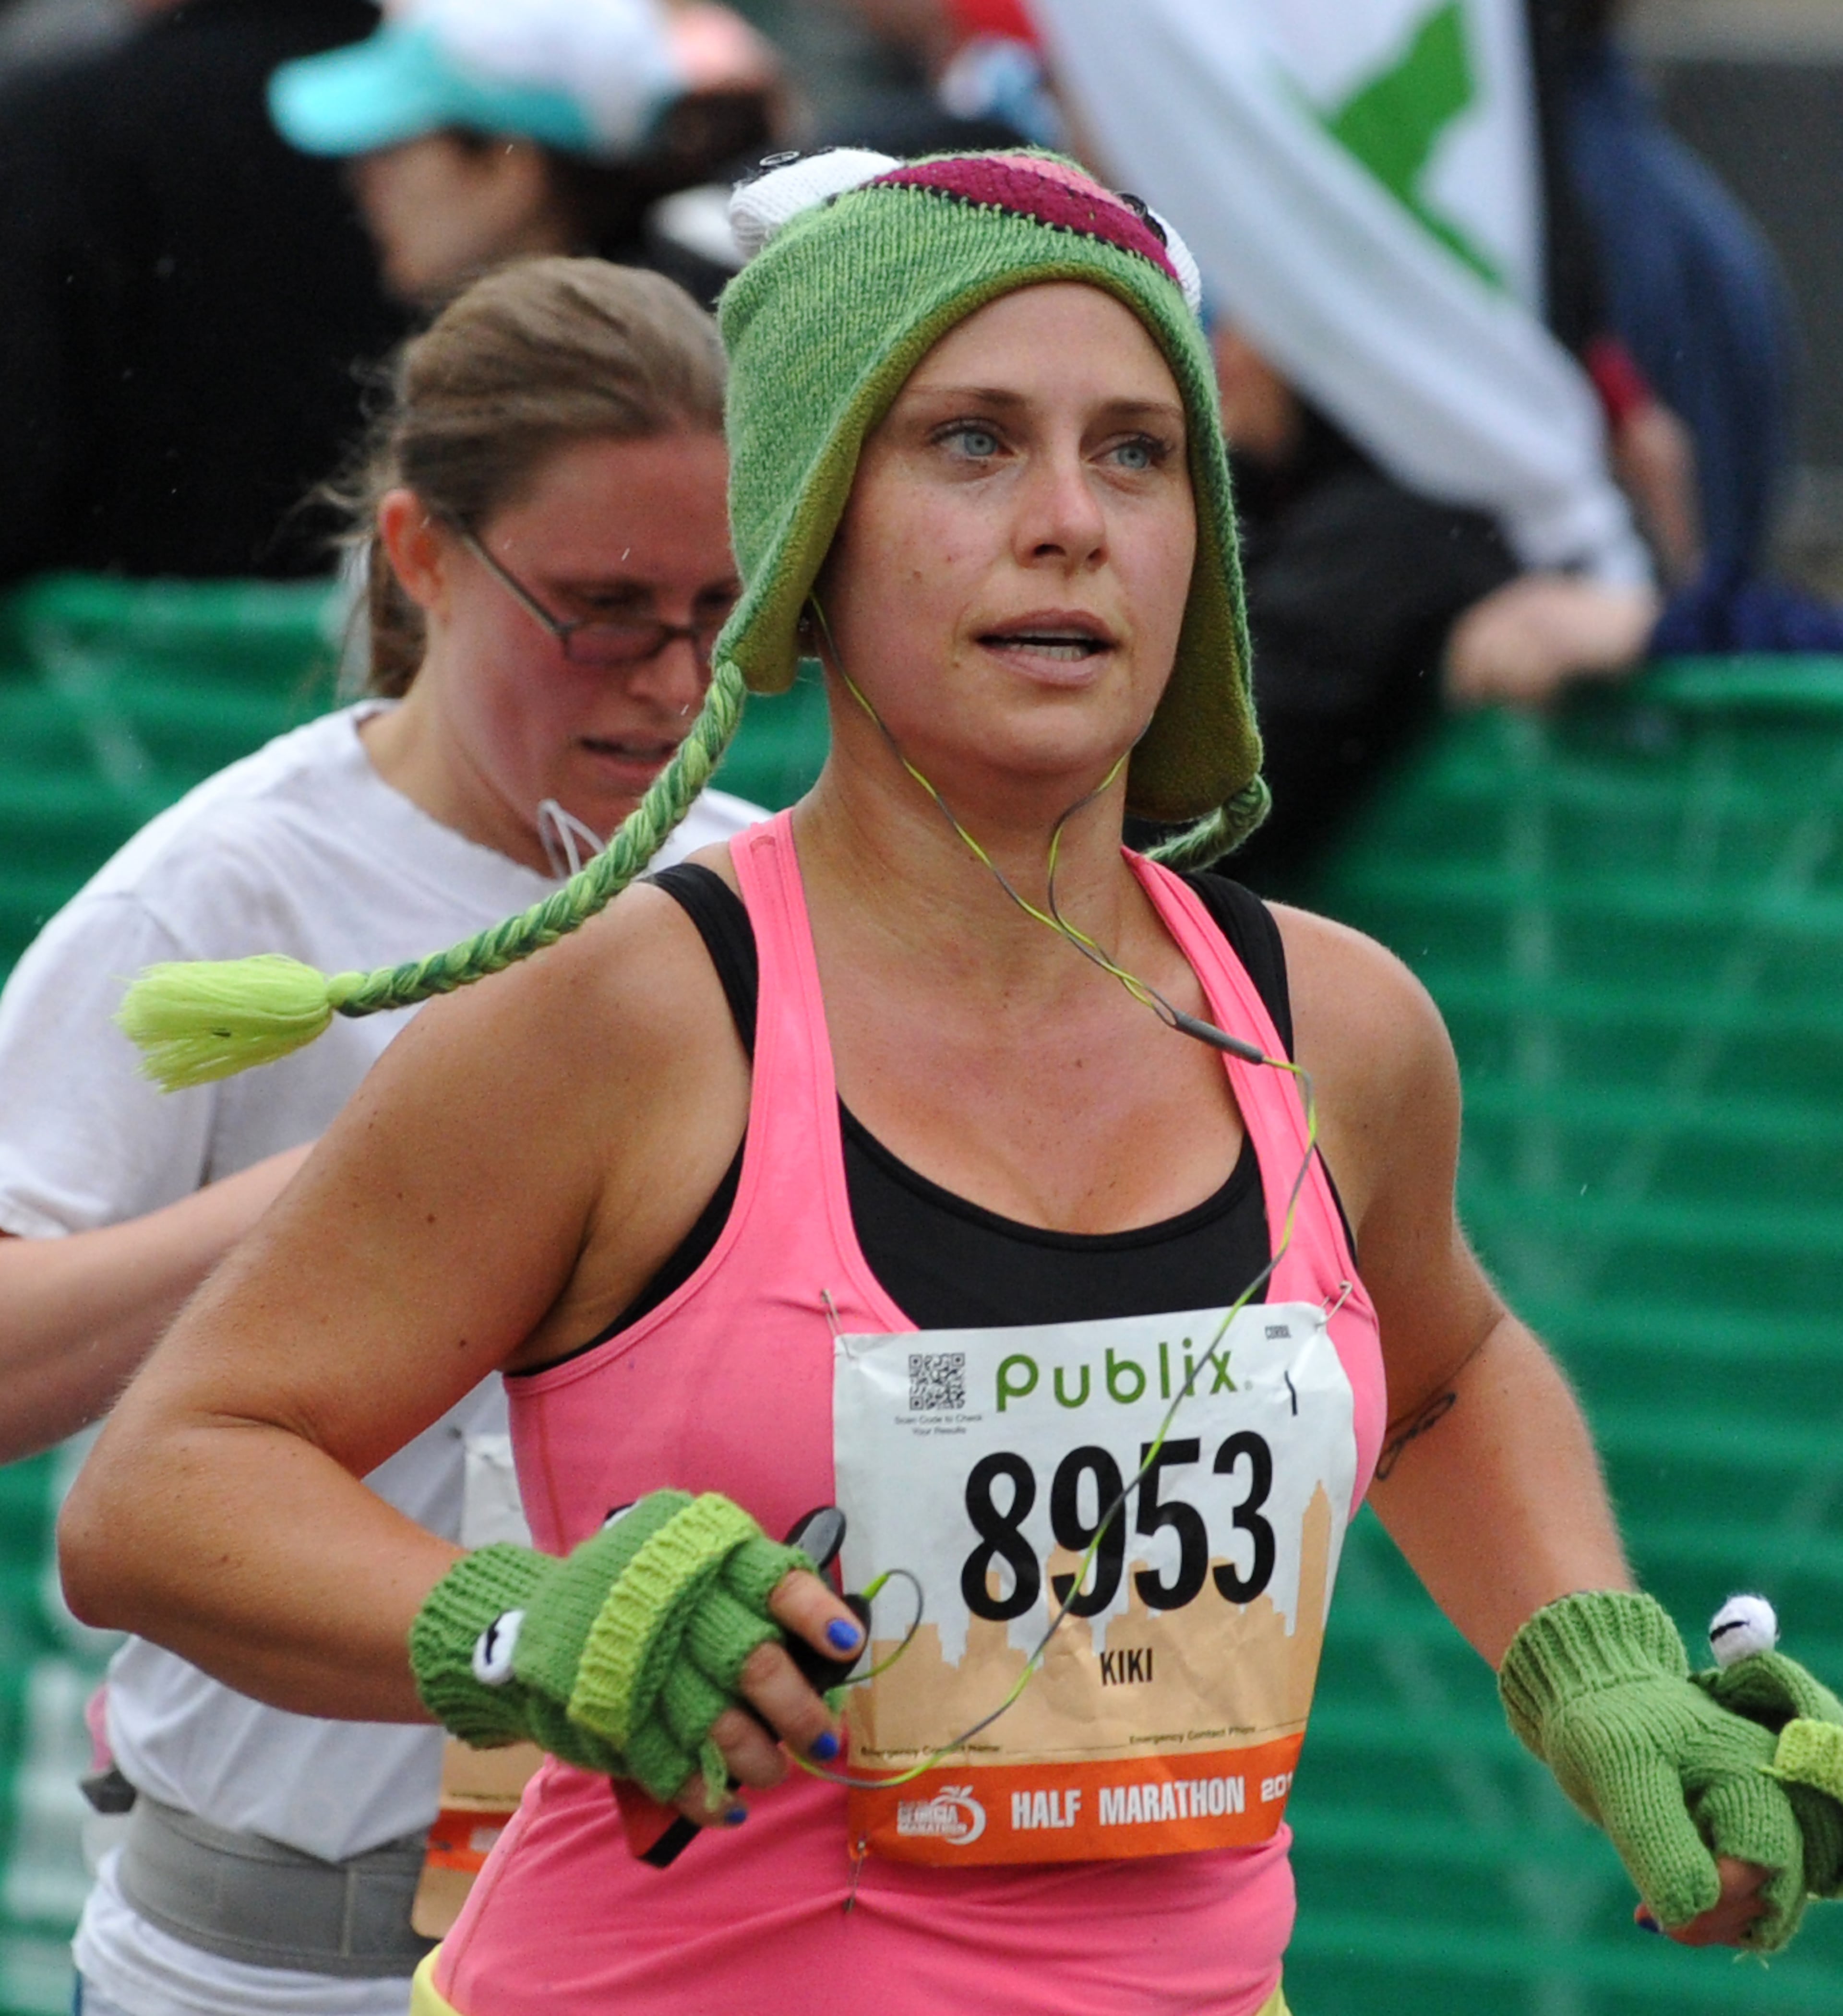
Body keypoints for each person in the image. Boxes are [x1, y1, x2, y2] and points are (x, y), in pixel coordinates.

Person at [58, 151, 1843, 2016]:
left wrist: (1596, 1659)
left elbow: (1449, 1371)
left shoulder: (1338, 1023)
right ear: (813, 536)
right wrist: (511, 1626)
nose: (1070, 520)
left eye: (1139, 450)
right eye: (973, 443)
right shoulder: (623, 1018)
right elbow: (167, 1487)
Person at [0, 255, 759, 2015]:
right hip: (284, 1955)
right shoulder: (229, 888)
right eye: (603, 606)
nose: (673, 676)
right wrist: (350, 1188)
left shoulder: (753, 881)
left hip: (676, 1929)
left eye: (726, 608)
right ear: (420, 555)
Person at [0, 0, 405, 585]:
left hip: (131, 638)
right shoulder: (461, 95)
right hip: (406, 616)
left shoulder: (66, 127)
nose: (375, 184)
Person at [268, 0, 783, 311]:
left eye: (391, 146)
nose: (361, 179)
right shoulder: (673, 304)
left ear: (510, 167)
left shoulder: (631, 368)